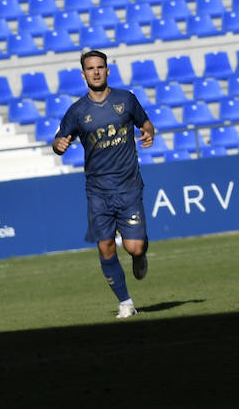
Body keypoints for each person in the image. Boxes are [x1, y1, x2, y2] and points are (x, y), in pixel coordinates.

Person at [53, 50, 156, 319]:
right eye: (90, 68)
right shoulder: (77, 111)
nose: (96, 72)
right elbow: (59, 140)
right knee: (105, 246)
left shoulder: (126, 99)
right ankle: (126, 302)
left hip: (129, 186)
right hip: (98, 191)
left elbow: (145, 123)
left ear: (108, 70)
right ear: (83, 74)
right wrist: (59, 145)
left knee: (134, 247)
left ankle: (139, 254)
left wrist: (148, 131)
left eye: (101, 67)